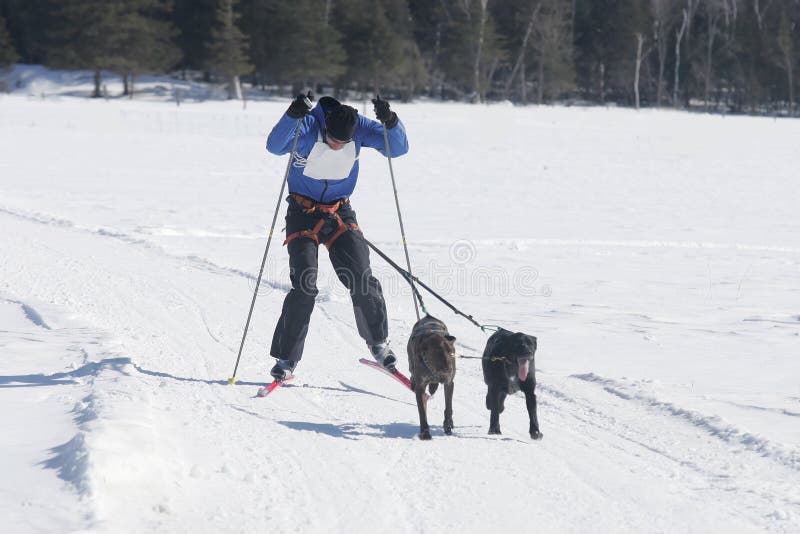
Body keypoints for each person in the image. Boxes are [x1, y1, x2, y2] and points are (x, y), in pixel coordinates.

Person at [265, 93, 409, 381]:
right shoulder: (307, 126)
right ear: (325, 126)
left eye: (344, 143)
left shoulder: (360, 126)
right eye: (332, 139)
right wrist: (292, 114)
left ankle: (378, 343)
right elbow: (274, 146)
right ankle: (287, 358)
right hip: (302, 212)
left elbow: (398, 148)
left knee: (361, 276)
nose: (337, 145)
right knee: (305, 284)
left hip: (340, 212)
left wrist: (390, 120)